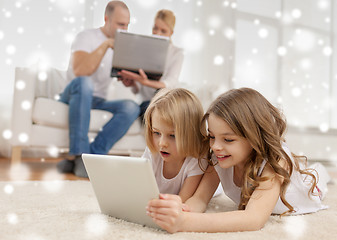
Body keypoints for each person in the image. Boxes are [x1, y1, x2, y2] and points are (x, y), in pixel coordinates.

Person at [146, 87, 331, 233]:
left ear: (253, 138)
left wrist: (185, 222)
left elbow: (254, 219)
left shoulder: (275, 161)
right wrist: (180, 210)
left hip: (309, 189)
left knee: (317, 174)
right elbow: (200, 199)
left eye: (228, 139)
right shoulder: (218, 156)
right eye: (212, 137)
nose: (215, 146)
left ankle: (323, 171)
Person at [57, 1, 140, 178]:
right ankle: (78, 153)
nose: (124, 29)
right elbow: (81, 71)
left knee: (131, 107)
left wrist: (129, 80)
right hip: (74, 94)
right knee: (84, 83)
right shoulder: (86, 37)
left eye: (126, 25)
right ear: (106, 19)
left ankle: (90, 158)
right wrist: (105, 45)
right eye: (120, 24)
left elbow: (126, 80)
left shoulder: (121, 45)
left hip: (98, 100)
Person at [142, 88, 208, 202]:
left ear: (192, 135)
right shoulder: (153, 151)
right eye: (156, 133)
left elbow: (181, 200)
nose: (162, 143)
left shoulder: (197, 160)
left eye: (173, 136)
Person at [119, 9, 184, 119]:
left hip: (166, 102)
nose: (157, 33)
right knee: (149, 109)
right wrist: (132, 83)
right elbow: (138, 90)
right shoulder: (143, 50)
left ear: (171, 33)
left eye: (163, 31)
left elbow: (170, 83)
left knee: (161, 108)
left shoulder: (177, 53)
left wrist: (146, 82)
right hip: (147, 103)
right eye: (155, 28)